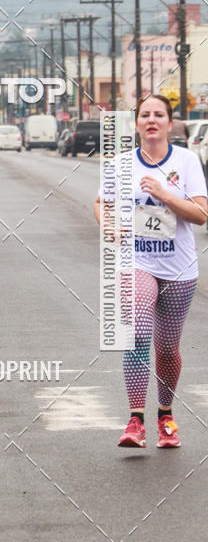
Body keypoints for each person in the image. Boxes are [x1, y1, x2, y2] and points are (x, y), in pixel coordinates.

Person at [94, 94, 207, 448]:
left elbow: (200, 215)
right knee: (139, 334)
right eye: (145, 115)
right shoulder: (120, 164)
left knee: (167, 349)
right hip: (136, 262)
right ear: (137, 123)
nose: (152, 120)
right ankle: (135, 421)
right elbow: (101, 204)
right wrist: (109, 226)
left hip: (179, 268)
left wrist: (165, 194)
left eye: (159, 114)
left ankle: (166, 415)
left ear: (170, 124)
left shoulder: (187, 161)